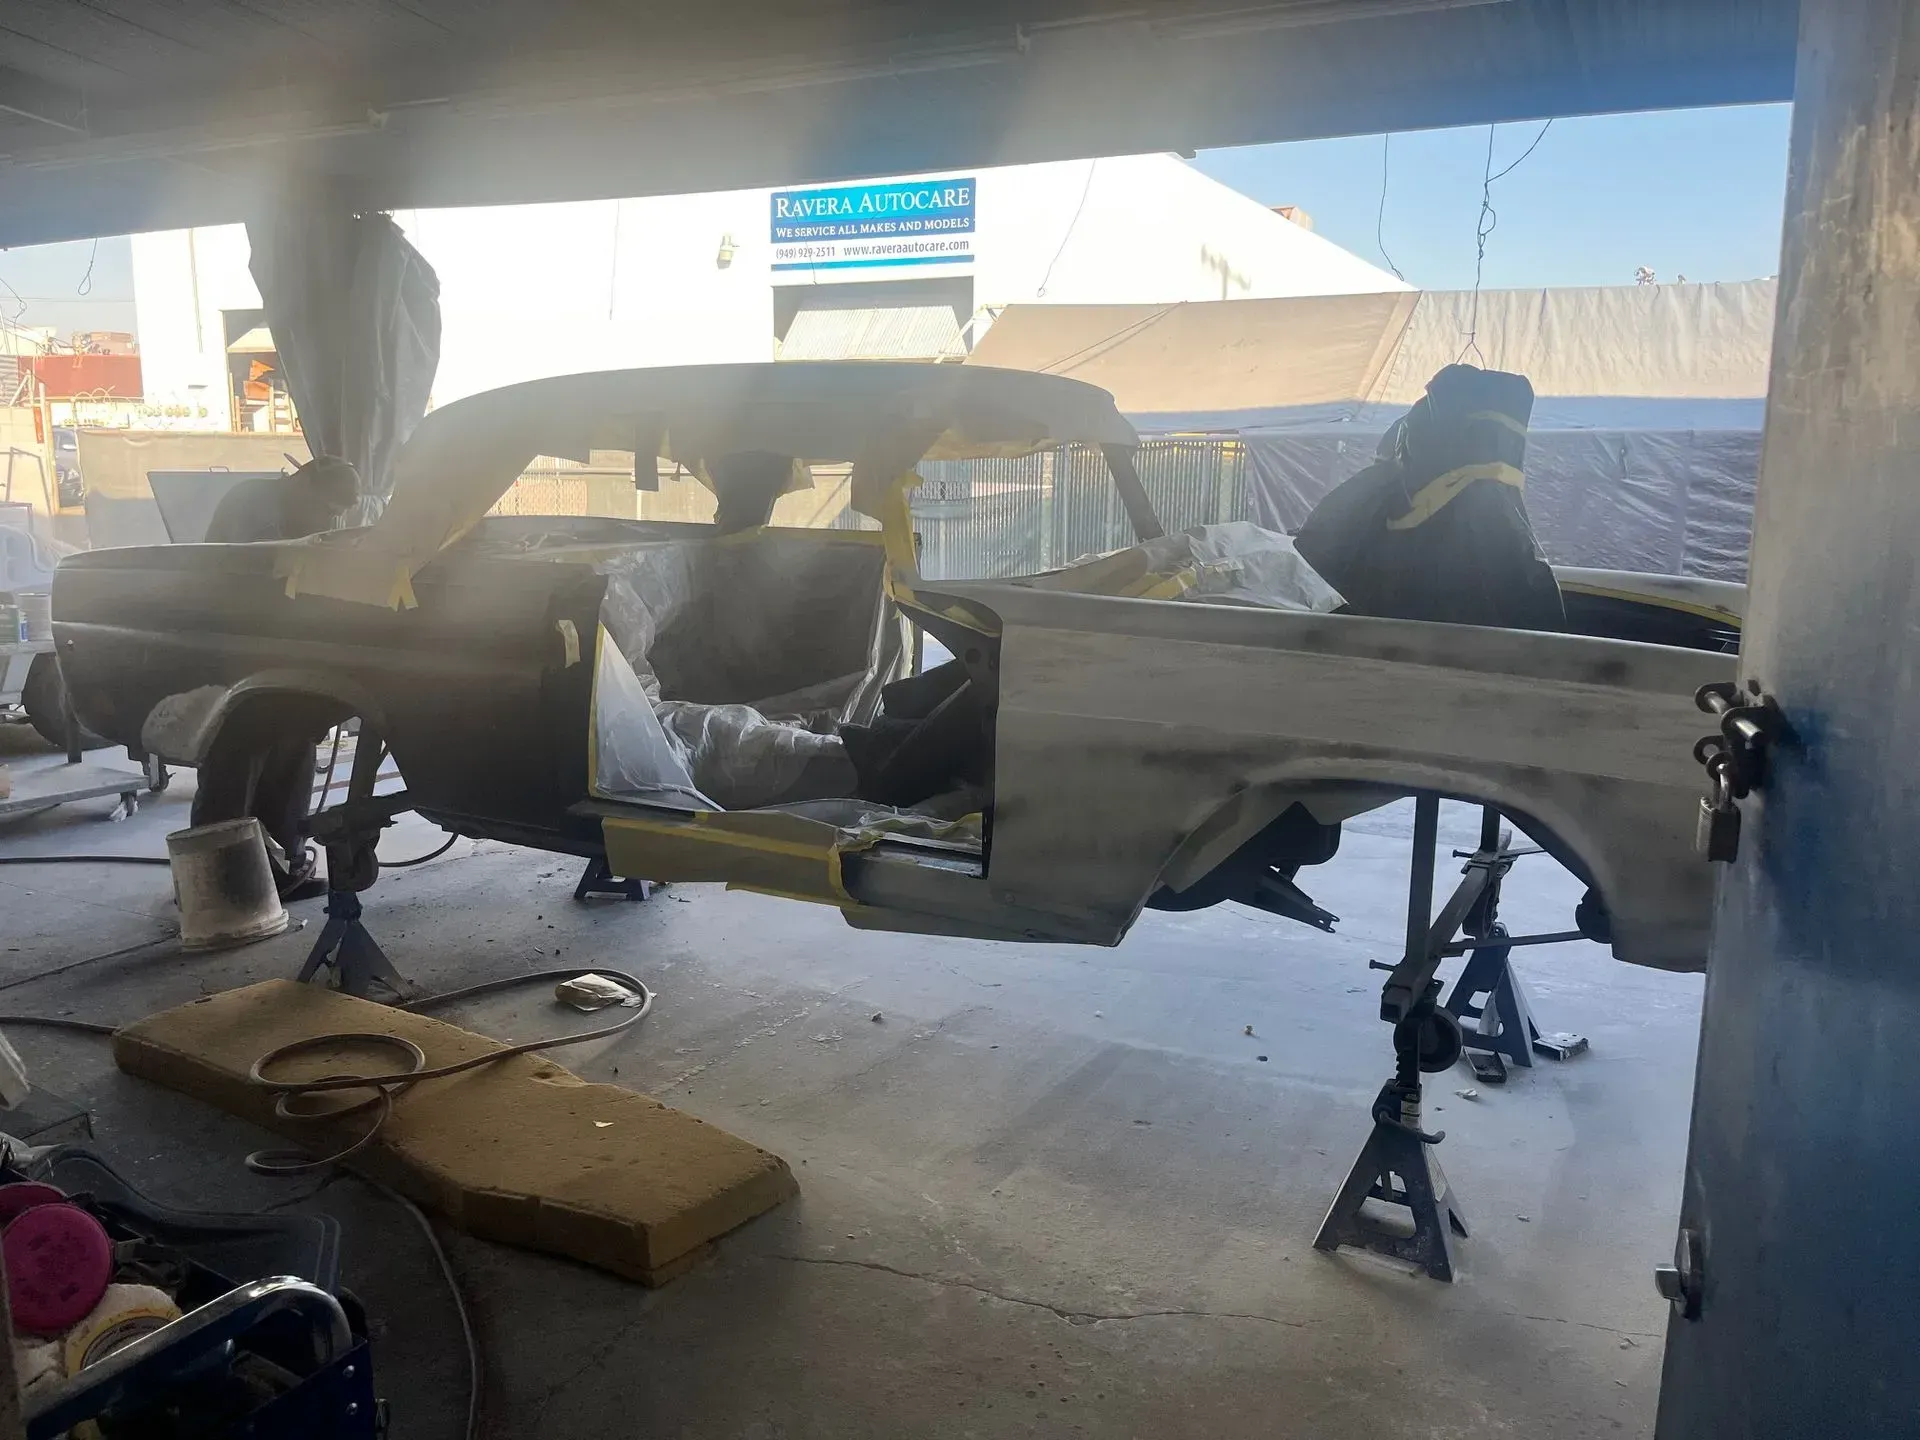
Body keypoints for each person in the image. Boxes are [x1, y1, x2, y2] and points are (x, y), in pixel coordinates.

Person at [191, 455, 363, 900]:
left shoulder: (305, 517)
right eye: (326, 509)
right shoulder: (250, 502)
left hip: (283, 649)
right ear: (302, 484)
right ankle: (219, 884)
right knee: (237, 761)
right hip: (235, 650)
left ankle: (285, 868)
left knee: (293, 751)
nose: (329, 519)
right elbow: (256, 563)